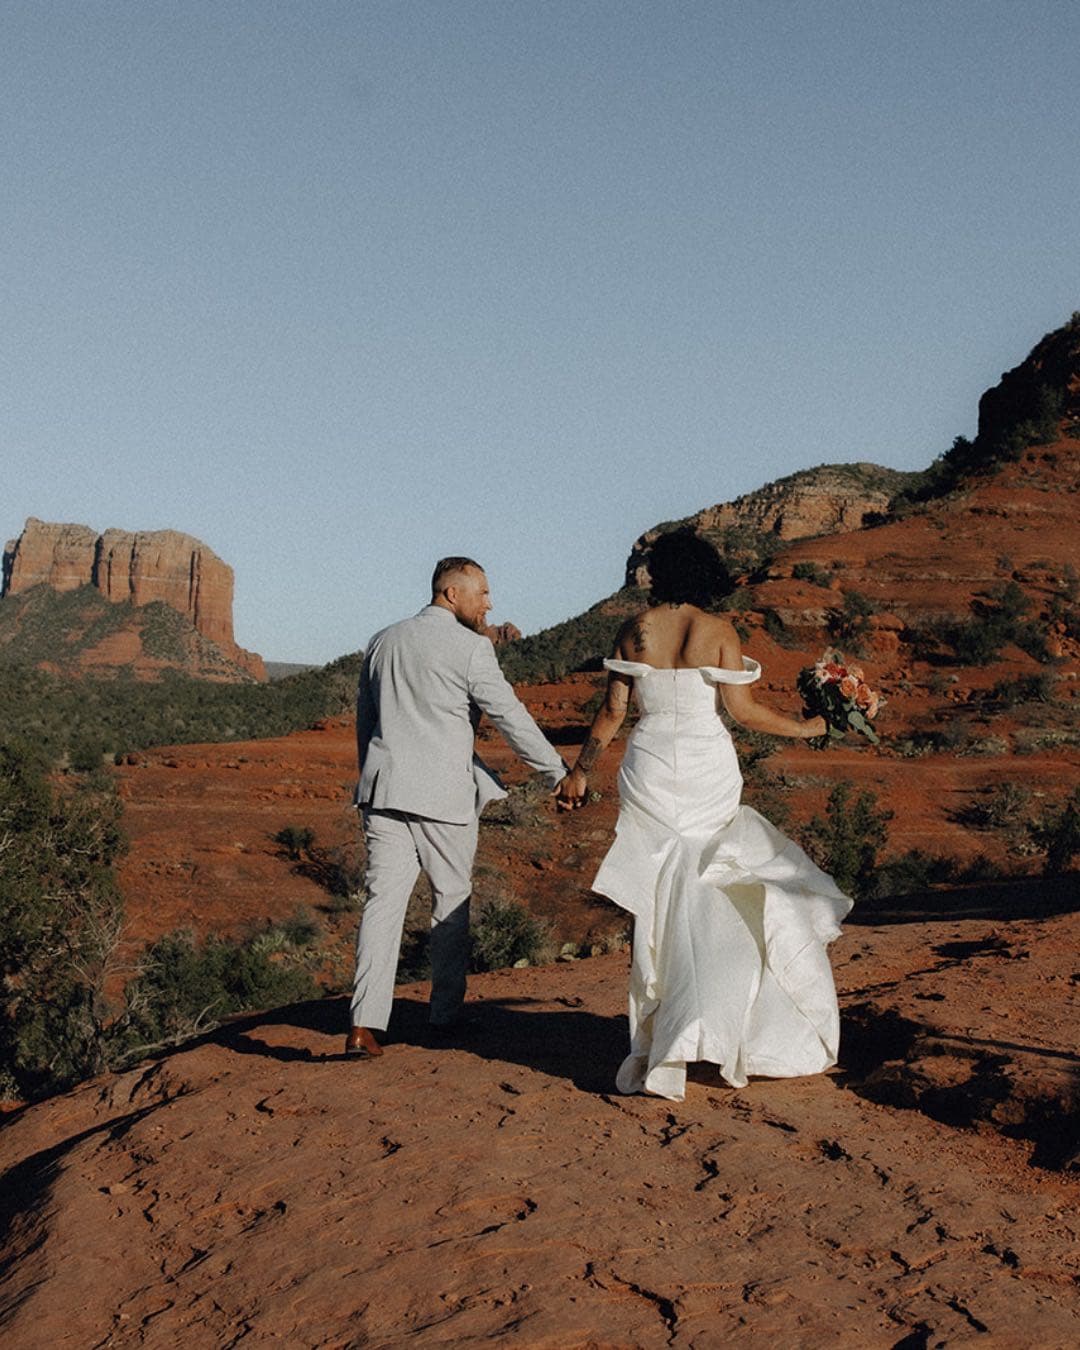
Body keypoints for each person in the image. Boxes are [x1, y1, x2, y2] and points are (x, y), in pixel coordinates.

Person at [565, 529, 852, 1100]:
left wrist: (580, 770)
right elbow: (743, 712)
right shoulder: (718, 631)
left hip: (649, 766)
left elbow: (613, 710)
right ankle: (721, 1021)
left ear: (659, 573)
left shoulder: (635, 631)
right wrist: (806, 728)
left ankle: (670, 1022)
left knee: (664, 891)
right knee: (716, 885)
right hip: (705, 767)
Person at [346, 557, 584, 1058]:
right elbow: (510, 717)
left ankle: (363, 1026)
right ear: (452, 593)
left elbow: (366, 723)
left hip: (383, 791)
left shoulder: (382, 640)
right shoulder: (472, 648)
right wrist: (557, 773)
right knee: (450, 904)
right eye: (483, 593)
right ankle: (444, 1016)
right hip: (443, 796)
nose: (489, 604)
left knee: (382, 906)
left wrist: (371, 777)